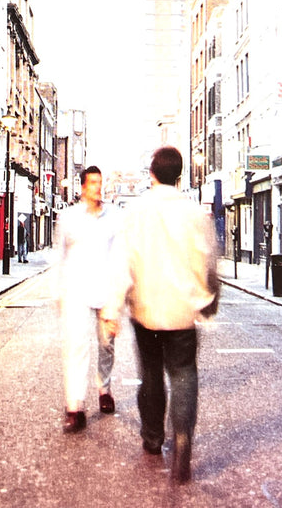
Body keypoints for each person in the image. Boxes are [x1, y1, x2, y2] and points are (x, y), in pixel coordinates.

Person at [101, 146, 219, 483]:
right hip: (183, 310)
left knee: (150, 374)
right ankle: (182, 438)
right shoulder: (195, 213)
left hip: (147, 309)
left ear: (151, 173)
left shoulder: (136, 211)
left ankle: (153, 438)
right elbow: (209, 261)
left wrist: (112, 308)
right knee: (184, 375)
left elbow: (122, 263)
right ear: (180, 175)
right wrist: (208, 301)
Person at [53, 165, 118, 434]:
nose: (97, 187)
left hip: (105, 291)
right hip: (76, 291)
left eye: (100, 182)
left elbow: (119, 256)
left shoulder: (114, 217)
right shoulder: (68, 218)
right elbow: (60, 256)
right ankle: (75, 407)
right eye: (92, 182)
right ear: (82, 187)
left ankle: (104, 388)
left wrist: (118, 297)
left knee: (107, 346)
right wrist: (57, 291)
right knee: (77, 347)